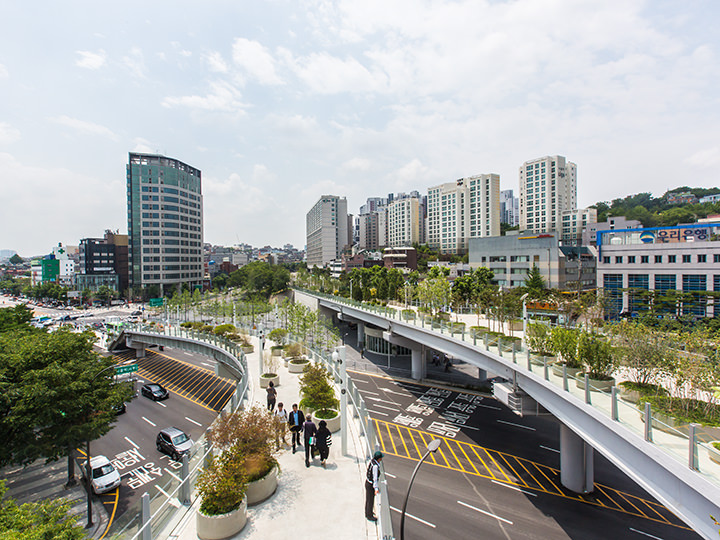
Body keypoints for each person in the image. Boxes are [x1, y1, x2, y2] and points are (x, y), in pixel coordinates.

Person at [365, 451, 383, 522]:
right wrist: (376, 488)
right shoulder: (375, 466)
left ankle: (368, 512)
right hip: (370, 485)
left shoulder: (372, 462)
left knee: (368, 499)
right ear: (379, 458)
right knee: (370, 500)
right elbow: (375, 478)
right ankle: (369, 516)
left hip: (367, 482)